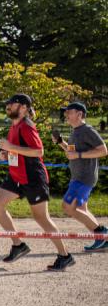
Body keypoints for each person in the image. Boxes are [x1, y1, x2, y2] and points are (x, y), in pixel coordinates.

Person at [0, 94, 74, 271]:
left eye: (13, 104)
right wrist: (6, 154)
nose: (9, 106)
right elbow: (18, 150)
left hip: (33, 177)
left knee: (41, 218)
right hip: (16, 176)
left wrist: (10, 148)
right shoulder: (14, 126)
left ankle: (65, 256)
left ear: (24, 108)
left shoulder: (26, 126)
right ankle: (18, 245)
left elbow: (38, 151)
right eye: (8, 104)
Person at [56, 102, 107, 252]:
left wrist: (78, 154)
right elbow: (72, 152)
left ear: (79, 114)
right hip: (78, 176)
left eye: (69, 112)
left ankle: (102, 233)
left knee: (67, 207)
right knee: (81, 209)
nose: (66, 115)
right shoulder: (75, 131)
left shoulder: (87, 130)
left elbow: (103, 150)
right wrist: (60, 142)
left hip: (84, 177)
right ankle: (102, 240)